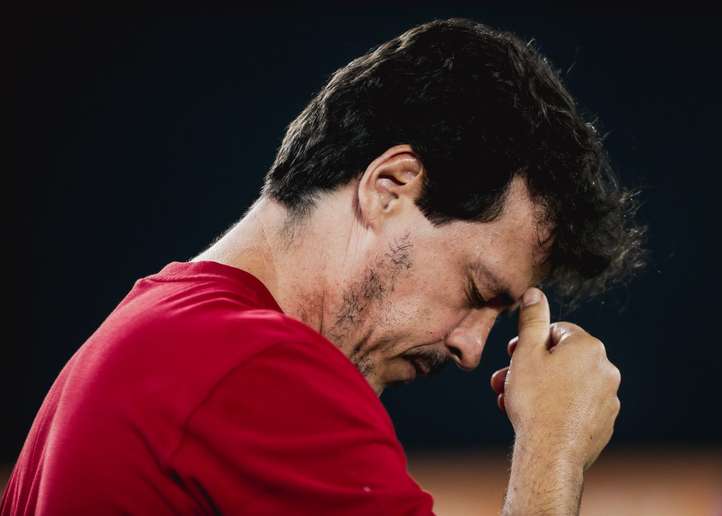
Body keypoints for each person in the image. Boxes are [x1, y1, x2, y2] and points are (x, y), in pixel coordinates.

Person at [2, 17, 645, 515]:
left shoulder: (154, 332)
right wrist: (552, 450)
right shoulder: (260, 371)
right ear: (390, 187)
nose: (472, 348)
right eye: (477, 290)